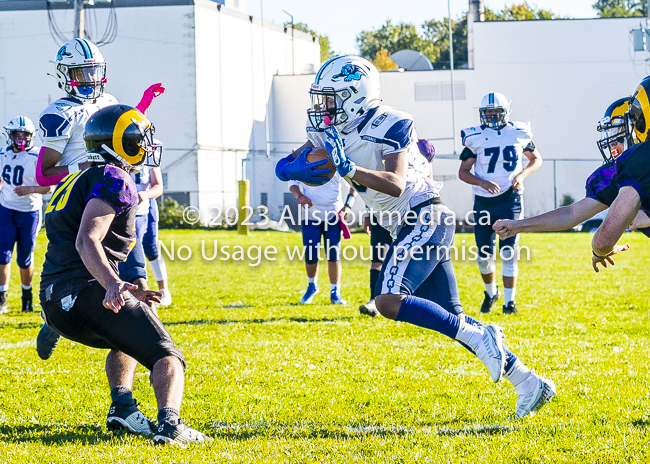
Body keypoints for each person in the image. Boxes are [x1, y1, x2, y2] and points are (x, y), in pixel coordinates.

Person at [276, 55, 555, 418]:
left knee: (387, 300)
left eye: (329, 98)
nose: (323, 107)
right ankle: (529, 382)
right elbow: (287, 166)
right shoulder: (329, 129)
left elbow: (394, 184)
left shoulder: (393, 122)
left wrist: (349, 168)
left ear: (353, 95)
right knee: (457, 321)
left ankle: (490, 341)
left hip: (425, 215)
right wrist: (297, 165)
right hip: (404, 224)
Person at [39, 104, 209, 445]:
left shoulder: (75, 178)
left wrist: (128, 288)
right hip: (87, 290)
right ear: (121, 142)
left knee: (128, 336)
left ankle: (123, 407)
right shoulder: (116, 178)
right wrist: (113, 283)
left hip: (55, 302)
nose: (146, 145)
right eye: (140, 138)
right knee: (166, 354)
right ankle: (170, 426)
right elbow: (87, 238)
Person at [36, 37, 164, 358]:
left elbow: (122, 131)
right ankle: (56, 320)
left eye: (93, 71)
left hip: (115, 192)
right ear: (65, 75)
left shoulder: (108, 99)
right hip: (82, 202)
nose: (89, 80)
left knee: (133, 276)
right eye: (81, 73)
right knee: (81, 274)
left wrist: (142, 106)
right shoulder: (59, 114)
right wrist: (79, 166)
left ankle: (147, 358)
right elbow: (43, 174)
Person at [493, 96, 650, 242]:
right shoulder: (620, 171)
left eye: (617, 133)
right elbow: (572, 213)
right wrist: (517, 225)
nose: (612, 142)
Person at [458, 93, 543, 315]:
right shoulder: (474, 137)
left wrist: (522, 176)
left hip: (510, 200)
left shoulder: (518, 133)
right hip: (484, 203)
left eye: (496, 112)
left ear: (506, 112)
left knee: (508, 252)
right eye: (488, 112)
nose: (492, 116)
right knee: (484, 256)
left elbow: (536, 159)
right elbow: (463, 172)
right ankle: (490, 293)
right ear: (482, 114)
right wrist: (483, 182)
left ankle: (509, 303)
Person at [359, 139, 435, 317]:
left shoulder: (420, 147)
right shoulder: (388, 146)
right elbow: (375, 186)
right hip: (384, 210)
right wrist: (368, 212)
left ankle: (416, 300)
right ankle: (374, 301)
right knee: (378, 258)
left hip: (411, 212)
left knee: (414, 258)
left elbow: (429, 180)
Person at [0, 117, 53, 314]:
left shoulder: (37, 156)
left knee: (25, 258)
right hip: (5, 209)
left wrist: (30, 188)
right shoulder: (3, 154)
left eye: (25, 135)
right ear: (11, 136)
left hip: (29, 212)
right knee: (2, 255)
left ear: (31, 137)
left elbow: (50, 186)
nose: (21, 139)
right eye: (17, 135)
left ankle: (27, 297)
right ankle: (1, 299)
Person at [289, 175, 356, 304]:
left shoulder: (336, 158)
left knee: (333, 254)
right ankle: (312, 286)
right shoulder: (305, 156)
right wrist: (299, 196)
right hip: (310, 214)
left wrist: (348, 205)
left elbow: (354, 183)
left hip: (333, 214)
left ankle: (335, 291)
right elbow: (293, 182)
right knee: (310, 253)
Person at [118, 165, 172, 306]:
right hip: (118, 206)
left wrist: (146, 195)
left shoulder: (150, 149)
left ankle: (157, 291)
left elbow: (158, 186)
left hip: (141, 208)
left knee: (145, 250)